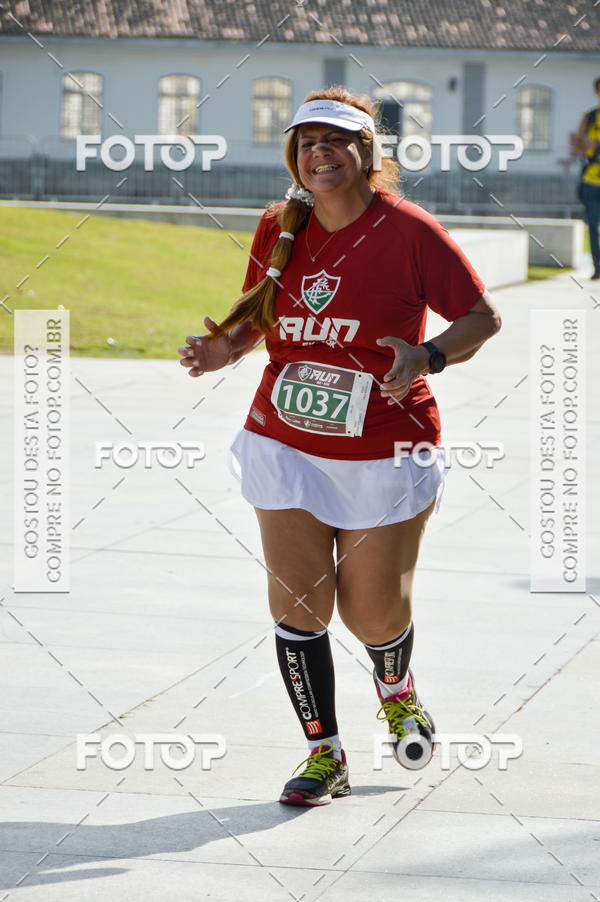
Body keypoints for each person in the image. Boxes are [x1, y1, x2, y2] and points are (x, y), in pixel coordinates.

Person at [178, 87, 501, 807]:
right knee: (298, 602)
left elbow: (482, 316)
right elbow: (257, 320)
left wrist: (427, 356)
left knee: (372, 614)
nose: (319, 153)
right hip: (285, 442)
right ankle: (325, 753)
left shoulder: (411, 230)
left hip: (388, 448)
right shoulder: (278, 226)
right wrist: (218, 351)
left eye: (336, 141)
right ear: (294, 156)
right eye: (306, 143)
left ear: (366, 155)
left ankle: (397, 688)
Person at [575, 77, 600, 280]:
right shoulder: (589, 116)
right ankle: (597, 266)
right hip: (591, 179)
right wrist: (587, 147)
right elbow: (576, 145)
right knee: (592, 225)